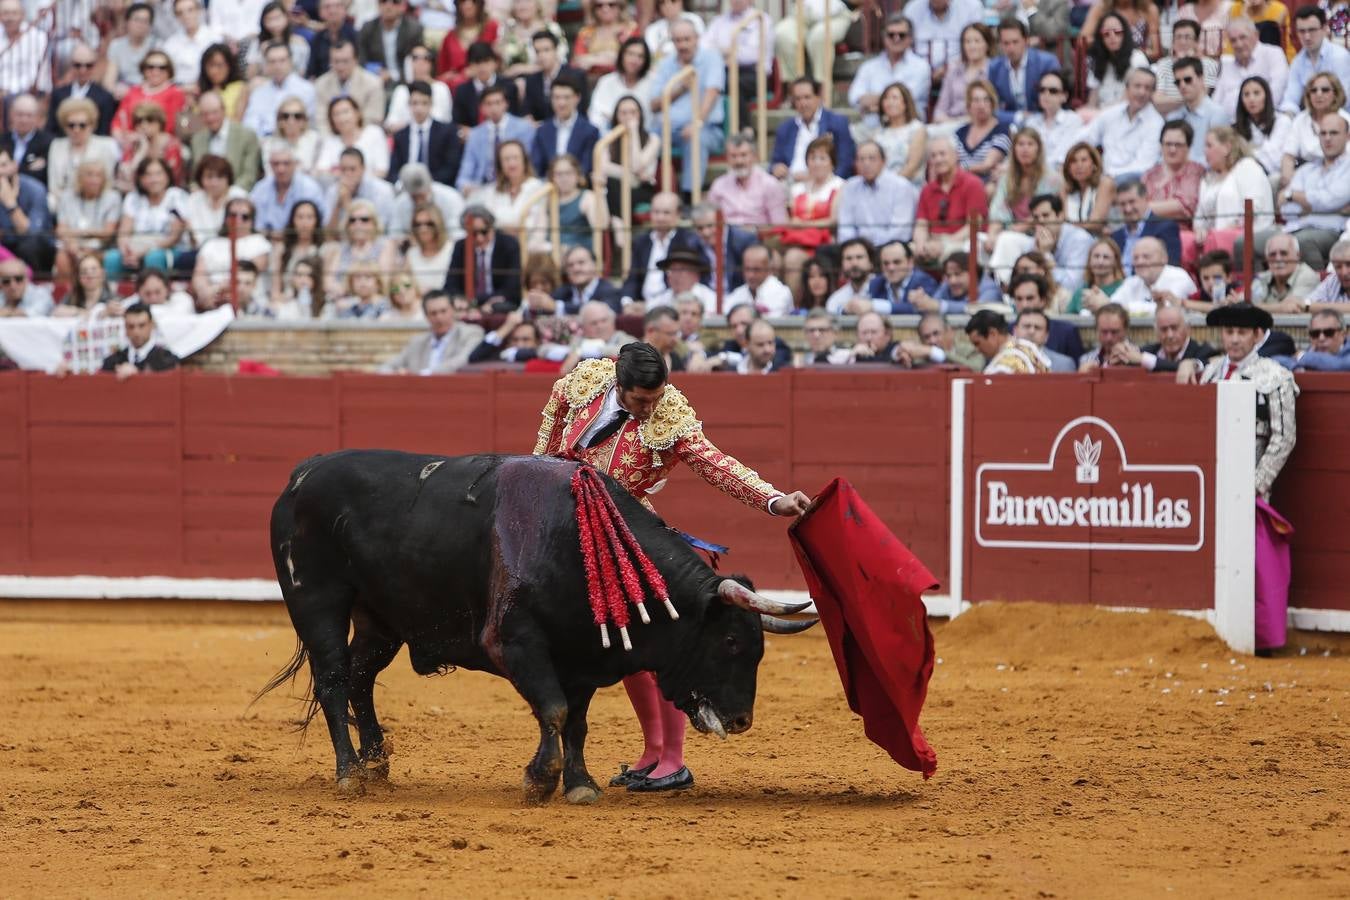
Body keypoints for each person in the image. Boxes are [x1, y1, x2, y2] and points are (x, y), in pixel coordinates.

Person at [533, 342, 810, 790]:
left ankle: (674, 759)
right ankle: (652, 750)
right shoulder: (585, 382)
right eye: (641, 401)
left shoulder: (671, 414)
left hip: (633, 536)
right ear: (619, 385)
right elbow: (547, 438)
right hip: (572, 532)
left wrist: (773, 499)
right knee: (623, 646)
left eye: (656, 398)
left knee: (657, 644)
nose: (649, 408)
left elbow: (716, 464)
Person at [1178, 302, 1298, 655]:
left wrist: (1255, 486)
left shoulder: (1275, 377)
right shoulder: (1211, 372)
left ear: (1258, 335)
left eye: (1241, 332)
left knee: (1253, 562)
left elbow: (1283, 437)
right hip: (1213, 482)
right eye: (1228, 332)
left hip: (1251, 487)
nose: (1233, 340)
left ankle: (1257, 639)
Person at [1258, 111, 1350, 272]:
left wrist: (1293, 196)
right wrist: (1317, 204)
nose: (1327, 138)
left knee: (1303, 242)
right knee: (1247, 242)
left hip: (1330, 230)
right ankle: (1260, 291)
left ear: (1347, 136)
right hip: (1294, 227)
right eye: (1323, 133)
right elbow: (1287, 211)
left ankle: (1316, 293)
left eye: (1334, 133)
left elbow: (1331, 200)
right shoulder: (1306, 170)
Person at [648, 20, 724, 194]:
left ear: (697, 38)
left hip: (706, 127)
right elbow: (654, 105)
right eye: (677, 40)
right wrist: (680, 89)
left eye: (686, 39)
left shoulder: (711, 58)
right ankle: (643, 189)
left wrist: (697, 122)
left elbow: (712, 93)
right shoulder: (666, 64)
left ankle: (690, 196)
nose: (682, 45)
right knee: (644, 138)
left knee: (695, 138)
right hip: (667, 129)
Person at [772, 135, 843, 292]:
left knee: (793, 259)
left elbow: (833, 221)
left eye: (822, 158)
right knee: (772, 258)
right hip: (794, 239)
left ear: (832, 162)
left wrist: (804, 224)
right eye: (812, 158)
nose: (816, 163)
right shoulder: (797, 188)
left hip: (821, 242)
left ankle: (793, 310)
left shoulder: (839, 186)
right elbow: (788, 218)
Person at [1194, 127, 1274, 256]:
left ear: (1226, 148)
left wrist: (1223, 231)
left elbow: (1254, 208)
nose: (1205, 151)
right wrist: (1200, 230)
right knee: (1186, 240)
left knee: (1213, 241)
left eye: (1209, 146)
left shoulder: (1246, 166)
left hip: (1249, 232)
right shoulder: (1207, 179)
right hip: (1214, 235)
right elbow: (1200, 216)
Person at [911, 135, 987, 266]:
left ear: (956, 155)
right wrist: (921, 244)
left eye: (942, 154)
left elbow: (974, 225)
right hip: (933, 242)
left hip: (962, 241)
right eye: (933, 156)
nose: (938, 159)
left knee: (952, 255)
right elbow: (921, 225)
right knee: (903, 253)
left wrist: (946, 243)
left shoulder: (973, 184)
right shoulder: (927, 190)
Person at [699, 0, 772, 134]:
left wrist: (724, 52)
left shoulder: (761, 19)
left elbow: (752, 54)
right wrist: (729, 53)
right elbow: (703, 47)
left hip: (755, 74)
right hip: (725, 70)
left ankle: (745, 128)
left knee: (732, 82)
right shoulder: (719, 21)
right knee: (713, 81)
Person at [1080, 67, 1164, 182]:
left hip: (1132, 184)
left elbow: (1143, 166)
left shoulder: (1156, 123)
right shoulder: (1112, 114)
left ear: (1153, 93)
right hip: (1101, 178)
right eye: (1137, 86)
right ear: (1127, 88)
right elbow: (1084, 138)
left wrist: (1108, 178)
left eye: (1147, 88)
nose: (1142, 92)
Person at [105, 157, 185, 277]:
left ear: (167, 176)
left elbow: (174, 237)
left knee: (153, 257)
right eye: (148, 175)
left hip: (166, 247)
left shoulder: (176, 196)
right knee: (112, 258)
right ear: (141, 178)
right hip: (136, 246)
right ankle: (112, 294)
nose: (154, 179)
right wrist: (126, 251)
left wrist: (145, 251)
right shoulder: (133, 198)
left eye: (158, 174)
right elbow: (124, 232)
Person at [985, 127, 1058, 256]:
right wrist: (992, 235)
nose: (1025, 149)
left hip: (1038, 235)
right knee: (977, 243)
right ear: (1014, 150)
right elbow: (998, 210)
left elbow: (1045, 213)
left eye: (1030, 144)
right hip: (1008, 233)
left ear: (1038, 149)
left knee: (1006, 241)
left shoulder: (1051, 179)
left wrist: (1014, 230)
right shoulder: (1006, 178)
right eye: (1021, 144)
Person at [849, 15, 932, 126]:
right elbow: (854, 98)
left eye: (901, 35)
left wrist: (871, 107)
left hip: (907, 131)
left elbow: (906, 99)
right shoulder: (869, 67)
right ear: (884, 37)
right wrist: (892, 101)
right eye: (891, 35)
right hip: (871, 130)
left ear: (910, 38)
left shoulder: (921, 66)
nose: (896, 39)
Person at [773, 77, 856, 186]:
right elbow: (775, 162)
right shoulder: (785, 128)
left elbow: (845, 163)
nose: (803, 103)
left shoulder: (837, 123)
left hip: (825, 184)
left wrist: (818, 178)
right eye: (798, 99)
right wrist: (777, 168)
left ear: (818, 97)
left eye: (807, 97)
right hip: (790, 183)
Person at [456, 85, 537, 196]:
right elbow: (465, 171)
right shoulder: (475, 134)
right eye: (489, 104)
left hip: (515, 185)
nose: (494, 108)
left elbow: (529, 162)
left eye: (498, 102)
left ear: (506, 104)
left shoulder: (524, 128)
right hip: (483, 187)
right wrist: (466, 187)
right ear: (482, 108)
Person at [379, 291, 486, 374]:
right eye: (433, 313)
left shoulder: (471, 333)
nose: (439, 318)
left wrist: (425, 375)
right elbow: (388, 366)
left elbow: (463, 360)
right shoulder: (417, 342)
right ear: (426, 317)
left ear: (453, 311)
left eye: (443, 311)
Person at [619, 191, 695, 306]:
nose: (660, 217)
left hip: (673, 304)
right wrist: (627, 303)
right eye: (656, 212)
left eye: (666, 213)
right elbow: (633, 278)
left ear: (678, 214)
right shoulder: (641, 241)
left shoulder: (687, 240)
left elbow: (684, 282)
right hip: (641, 304)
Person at [1142, 121, 1206, 256]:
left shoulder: (1196, 171)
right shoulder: (1149, 174)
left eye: (1178, 145)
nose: (1172, 149)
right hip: (1149, 235)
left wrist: (1145, 209)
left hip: (1183, 235)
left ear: (1188, 147)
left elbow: (1185, 207)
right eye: (1168, 144)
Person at [1278, 72, 1350, 191]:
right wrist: (1290, 180)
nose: (1318, 94)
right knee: (1277, 179)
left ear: (1336, 94)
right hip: (1304, 176)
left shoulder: (1346, 120)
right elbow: (1288, 156)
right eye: (1313, 90)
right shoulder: (1300, 120)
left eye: (1325, 90)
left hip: (1339, 175)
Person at [54, 160, 121, 284]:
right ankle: (68, 294)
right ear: (80, 178)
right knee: (62, 257)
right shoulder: (67, 197)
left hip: (100, 246)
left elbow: (108, 232)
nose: (94, 180)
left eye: (98, 175)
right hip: (72, 245)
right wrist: (73, 244)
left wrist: (80, 234)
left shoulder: (112, 198)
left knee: (96, 257)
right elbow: (61, 230)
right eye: (89, 175)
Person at [446, 205, 523, 310]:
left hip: (499, 305)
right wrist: (458, 299)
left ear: (492, 227)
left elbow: (512, 287)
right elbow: (451, 283)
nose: (479, 238)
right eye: (473, 233)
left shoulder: (509, 244)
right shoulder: (461, 246)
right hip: (467, 306)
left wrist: (478, 301)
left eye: (484, 232)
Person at [322, 197, 401, 297]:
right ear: (347, 225)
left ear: (374, 223)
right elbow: (327, 283)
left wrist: (350, 289)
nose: (358, 224)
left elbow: (384, 281)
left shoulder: (385, 245)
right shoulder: (340, 249)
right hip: (340, 303)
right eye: (352, 220)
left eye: (364, 220)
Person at [706, 131, 787, 229]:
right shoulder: (719, 185)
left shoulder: (770, 184)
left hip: (758, 239)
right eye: (733, 156)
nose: (739, 161)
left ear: (754, 156)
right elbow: (709, 222)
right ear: (727, 158)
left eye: (743, 155)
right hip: (727, 240)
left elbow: (779, 225)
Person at [986, 17, 1060, 124]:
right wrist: (1018, 117)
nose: (1011, 48)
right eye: (1006, 43)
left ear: (1026, 41)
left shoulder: (1046, 63)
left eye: (1015, 42)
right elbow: (991, 107)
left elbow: (1056, 102)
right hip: (1009, 124)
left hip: (1044, 123)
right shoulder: (995, 67)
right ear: (1000, 45)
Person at [853, 83, 927, 186]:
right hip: (879, 187)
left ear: (905, 103)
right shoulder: (879, 133)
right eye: (886, 98)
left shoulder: (917, 129)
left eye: (894, 98)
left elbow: (912, 166)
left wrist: (889, 186)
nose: (889, 102)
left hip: (906, 187)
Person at [1280, 5, 1350, 115]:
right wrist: (1287, 117)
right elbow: (1291, 99)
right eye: (1302, 31)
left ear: (1324, 28)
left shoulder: (1340, 56)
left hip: (1341, 118)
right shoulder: (1297, 62)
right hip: (1311, 118)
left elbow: (1344, 99)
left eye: (1312, 30)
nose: (1307, 37)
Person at [189, 92, 261, 192]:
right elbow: (195, 177)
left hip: (236, 195)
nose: (210, 118)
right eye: (205, 114)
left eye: (214, 112)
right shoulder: (197, 139)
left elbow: (249, 176)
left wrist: (228, 195)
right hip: (205, 197)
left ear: (224, 111)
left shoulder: (246, 135)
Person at [530, 74, 599, 178]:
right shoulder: (542, 130)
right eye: (556, 97)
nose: (561, 103)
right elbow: (536, 167)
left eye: (566, 97)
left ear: (577, 98)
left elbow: (586, 168)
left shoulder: (590, 131)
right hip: (547, 188)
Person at [1214, 17, 1289, 115]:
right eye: (1233, 40)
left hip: (1266, 120)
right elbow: (1216, 101)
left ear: (1256, 35)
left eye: (1243, 37)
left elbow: (1276, 94)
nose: (1239, 44)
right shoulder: (1227, 64)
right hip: (1230, 125)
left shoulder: (1273, 54)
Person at [1112, 302, 1217, 371]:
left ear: (1188, 328)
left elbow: (1180, 366)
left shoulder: (1204, 352)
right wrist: (1121, 354)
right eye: (1163, 329)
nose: (1170, 335)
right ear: (1156, 332)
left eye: (1174, 328)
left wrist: (1145, 359)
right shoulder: (1149, 351)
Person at [242, 42, 317, 138]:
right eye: (272, 61)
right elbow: (250, 124)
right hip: (264, 143)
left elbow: (309, 125)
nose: (277, 66)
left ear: (290, 62)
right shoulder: (258, 92)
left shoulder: (307, 90)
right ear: (266, 65)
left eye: (282, 61)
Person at [1108, 236, 1197, 315]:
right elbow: (1113, 307)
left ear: (1164, 258)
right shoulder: (1132, 282)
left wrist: (1126, 309)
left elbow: (1167, 310)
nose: (1140, 262)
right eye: (1136, 258)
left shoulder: (1179, 277)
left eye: (1146, 256)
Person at [1168, 57, 1233, 163]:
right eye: (1177, 82)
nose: (1182, 85)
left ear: (1201, 79)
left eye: (1188, 80)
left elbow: (1219, 157)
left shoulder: (1218, 114)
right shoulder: (1174, 117)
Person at [1008, 271, 1086, 360]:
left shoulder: (1066, 332)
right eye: (1019, 299)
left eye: (1030, 298)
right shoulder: (1006, 330)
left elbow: (1078, 369)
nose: (1024, 304)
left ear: (1043, 300)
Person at [313, 41, 386, 135]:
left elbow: (374, 119)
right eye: (336, 61)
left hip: (364, 137)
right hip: (331, 138)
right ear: (330, 62)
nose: (340, 66)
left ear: (356, 60)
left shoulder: (373, 83)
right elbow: (321, 120)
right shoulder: (321, 84)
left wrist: (352, 138)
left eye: (345, 61)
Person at [252, 145, 326, 237]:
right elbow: (255, 224)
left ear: (295, 164)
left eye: (286, 163)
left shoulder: (310, 188)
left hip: (300, 243)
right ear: (270, 165)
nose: (281, 169)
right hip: (266, 241)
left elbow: (320, 224)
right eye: (276, 164)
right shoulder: (260, 188)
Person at [1110, 177, 1182, 272]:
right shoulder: (1116, 236)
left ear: (1146, 199)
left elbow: (1171, 267)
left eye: (1132, 202)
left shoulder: (1165, 228)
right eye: (1123, 204)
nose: (1128, 209)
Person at [775, 0, 855, 85]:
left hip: (835, 13)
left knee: (820, 37)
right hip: (803, 11)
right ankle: (794, 90)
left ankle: (821, 89)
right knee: (782, 34)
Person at [47, 44, 118, 137]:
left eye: (88, 65)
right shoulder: (58, 94)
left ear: (94, 66)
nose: (83, 70)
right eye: (78, 65)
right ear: (71, 65)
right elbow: (51, 128)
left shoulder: (105, 97)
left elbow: (104, 132)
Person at [1152, 19, 1220, 115]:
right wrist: (1186, 101)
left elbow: (1204, 96)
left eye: (1187, 37)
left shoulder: (1209, 64)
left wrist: (1172, 103)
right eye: (1178, 37)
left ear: (1196, 42)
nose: (1182, 42)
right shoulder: (1163, 64)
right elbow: (1158, 100)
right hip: (1170, 117)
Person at [932, 22, 995, 123]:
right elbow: (940, 110)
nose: (972, 46)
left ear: (987, 44)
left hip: (979, 124)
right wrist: (951, 122)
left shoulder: (994, 69)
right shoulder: (954, 70)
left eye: (977, 41)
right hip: (950, 123)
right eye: (967, 42)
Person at [452, 43, 521, 134]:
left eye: (486, 61)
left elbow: (515, 118)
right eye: (477, 63)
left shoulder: (509, 87)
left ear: (495, 63)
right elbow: (457, 123)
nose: (482, 67)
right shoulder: (462, 91)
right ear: (470, 65)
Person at [522, 31, 590, 123]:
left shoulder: (576, 76)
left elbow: (581, 111)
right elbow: (527, 111)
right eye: (537, 51)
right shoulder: (532, 80)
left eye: (546, 50)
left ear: (556, 50)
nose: (542, 55)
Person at [1232, 75, 1292, 177]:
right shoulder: (1235, 128)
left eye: (1256, 93)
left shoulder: (1282, 121)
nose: (1251, 99)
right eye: (1246, 95)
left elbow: (1274, 157)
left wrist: (1249, 153)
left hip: (1273, 175)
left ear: (1266, 96)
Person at [1085, 12, 1149, 108]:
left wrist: (1098, 114)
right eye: (1106, 33)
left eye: (1117, 32)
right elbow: (1092, 101)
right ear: (1100, 38)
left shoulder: (1137, 58)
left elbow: (1131, 99)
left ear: (1125, 34)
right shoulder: (1097, 61)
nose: (1112, 36)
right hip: (1101, 116)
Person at [323, 147, 396, 230]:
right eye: (343, 169)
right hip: (343, 242)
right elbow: (328, 234)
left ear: (363, 169)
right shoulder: (333, 191)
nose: (348, 174)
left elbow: (379, 230)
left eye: (352, 169)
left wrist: (347, 204)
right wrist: (338, 205)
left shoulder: (382, 191)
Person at [389, 162, 465, 241]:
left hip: (447, 248)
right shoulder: (401, 203)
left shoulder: (451, 198)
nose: (419, 201)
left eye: (422, 195)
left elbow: (458, 234)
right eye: (414, 197)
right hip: (412, 250)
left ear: (429, 185)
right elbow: (395, 234)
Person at [589, 37, 653, 130]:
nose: (634, 60)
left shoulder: (652, 81)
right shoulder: (606, 81)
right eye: (630, 54)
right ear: (622, 55)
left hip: (644, 136)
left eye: (640, 56)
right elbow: (596, 115)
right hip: (611, 136)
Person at [100, 302, 179, 377]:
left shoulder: (167, 360)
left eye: (141, 325)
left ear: (151, 325)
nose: (136, 332)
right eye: (131, 326)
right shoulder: (112, 362)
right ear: (125, 328)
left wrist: (138, 374)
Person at [386, 47, 453, 134]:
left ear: (431, 63)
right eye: (415, 58)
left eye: (426, 58)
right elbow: (390, 124)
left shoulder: (441, 88)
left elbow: (446, 121)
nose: (420, 62)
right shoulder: (401, 90)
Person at [965, 308, 1050, 373]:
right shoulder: (1029, 347)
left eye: (977, 343)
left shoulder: (1001, 369)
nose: (977, 349)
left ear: (992, 334)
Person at [357, 0, 422, 85]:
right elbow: (362, 60)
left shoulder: (413, 30)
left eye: (395, 2)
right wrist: (376, 71)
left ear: (403, 6)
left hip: (406, 82)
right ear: (378, 5)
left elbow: (417, 63)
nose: (388, 6)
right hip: (375, 81)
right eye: (383, 1)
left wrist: (392, 75)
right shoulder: (368, 28)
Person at [103, 3, 158, 102]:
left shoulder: (156, 46)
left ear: (150, 25)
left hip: (149, 93)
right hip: (122, 93)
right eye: (137, 20)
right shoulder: (116, 45)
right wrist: (115, 90)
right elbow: (109, 80)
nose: (141, 25)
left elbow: (158, 79)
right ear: (127, 22)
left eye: (145, 21)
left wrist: (134, 93)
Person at [1251, 233, 1321, 311]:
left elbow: (1291, 308)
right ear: (1267, 259)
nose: (1278, 259)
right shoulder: (1263, 277)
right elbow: (1246, 302)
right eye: (1272, 254)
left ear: (1297, 256)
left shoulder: (1308, 276)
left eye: (1284, 253)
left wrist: (1253, 308)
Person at [867, 239, 939, 314]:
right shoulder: (876, 283)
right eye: (886, 263)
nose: (891, 268)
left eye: (897, 262)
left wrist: (875, 306)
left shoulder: (925, 281)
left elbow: (919, 308)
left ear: (910, 262)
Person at [161, 0, 222, 88]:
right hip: (180, 90)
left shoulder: (215, 39)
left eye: (190, 10)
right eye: (180, 13)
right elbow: (166, 75)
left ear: (199, 11)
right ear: (176, 17)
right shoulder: (170, 45)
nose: (186, 16)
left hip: (210, 88)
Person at [1060, 141, 1116, 235]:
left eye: (1084, 160)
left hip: (1104, 240)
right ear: (1068, 168)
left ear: (1094, 165)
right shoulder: (1065, 190)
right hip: (1073, 240)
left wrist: (1068, 227)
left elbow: (1095, 224)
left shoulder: (1105, 183)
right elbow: (1064, 220)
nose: (1079, 165)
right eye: (1074, 161)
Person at [895, 311, 984, 370]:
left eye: (936, 333)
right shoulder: (918, 357)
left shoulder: (970, 351)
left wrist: (936, 353)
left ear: (949, 332)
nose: (932, 340)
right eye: (926, 337)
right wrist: (901, 352)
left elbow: (976, 369)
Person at [438, 0, 497, 86]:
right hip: (456, 87)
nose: (468, 5)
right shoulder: (450, 36)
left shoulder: (492, 27)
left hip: (487, 85)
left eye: (473, 1)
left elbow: (498, 61)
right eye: (463, 1)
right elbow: (443, 70)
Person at [553, 244, 624, 313]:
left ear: (595, 265)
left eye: (581, 262)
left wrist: (559, 307)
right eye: (570, 265)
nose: (576, 269)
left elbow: (601, 311)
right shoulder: (563, 290)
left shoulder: (609, 291)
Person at [725, 244, 792, 316]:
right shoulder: (738, 293)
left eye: (756, 269)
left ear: (769, 269)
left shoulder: (782, 292)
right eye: (747, 269)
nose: (751, 275)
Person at [572, 0, 640, 71]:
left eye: (611, 5)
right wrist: (610, 57)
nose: (605, 9)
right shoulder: (586, 32)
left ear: (620, 6)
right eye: (599, 6)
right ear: (593, 9)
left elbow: (632, 58)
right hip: (591, 79)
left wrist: (592, 59)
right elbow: (577, 61)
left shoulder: (631, 29)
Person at [1066, 236, 1128, 314]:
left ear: (1115, 261)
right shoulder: (1080, 293)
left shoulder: (1125, 288)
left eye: (1106, 257)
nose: (1100, 262)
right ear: (1089, 260)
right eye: (1096, 256)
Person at [645, 247, 716, 312]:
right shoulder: (661, 300)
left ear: (696, 275)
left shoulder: (712, 301)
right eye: (672, 270)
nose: (675, 275)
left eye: (681, 270)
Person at [197, 43, 250, 121]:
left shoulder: (240, 88)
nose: (214, 71)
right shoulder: (198, 91)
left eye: (219, 65)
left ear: (229, 66)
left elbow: (238, 121)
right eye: (210, 65)